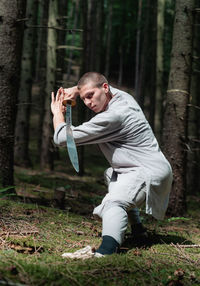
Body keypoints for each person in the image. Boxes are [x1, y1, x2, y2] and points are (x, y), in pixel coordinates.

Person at [51, 72, 173, 257]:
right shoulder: (123, 97)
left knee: (112, 204)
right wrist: (77, 90)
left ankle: (106, 251)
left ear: (105, 88)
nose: (88, 103)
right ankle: (138, 230)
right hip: (144, 167)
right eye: (84, 98)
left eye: (90, 95)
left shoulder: (113, 117)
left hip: (146, 172)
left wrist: (57, 114)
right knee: (111, 174)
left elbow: (62, 138)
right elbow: (97, 83)